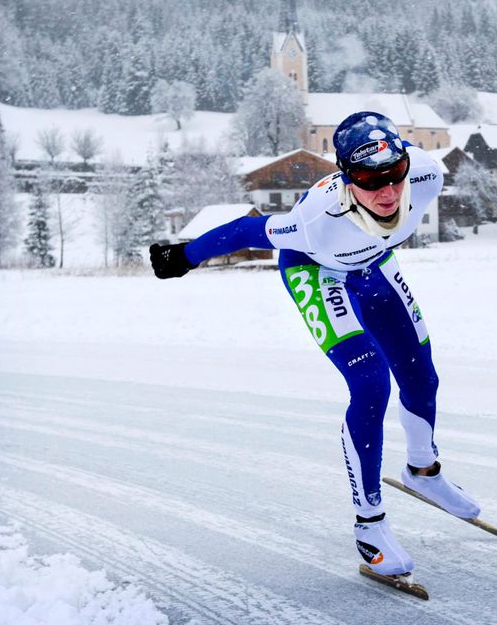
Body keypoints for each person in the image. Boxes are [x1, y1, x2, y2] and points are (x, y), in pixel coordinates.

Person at [149, 111, 479, 578]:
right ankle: (369, 529)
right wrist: (183, 256)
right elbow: (249, 231)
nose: (387, 192)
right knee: (370, 384)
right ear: (346, 178)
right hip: (315, 268)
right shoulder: (314, 219)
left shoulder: (426, 172)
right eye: (369, 179)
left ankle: (423, 472)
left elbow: (395, 195)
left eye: (395, 175)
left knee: (421, 374)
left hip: (373, 262)